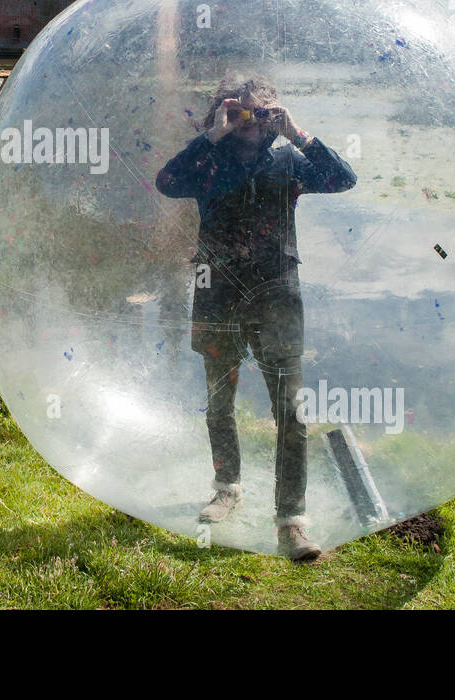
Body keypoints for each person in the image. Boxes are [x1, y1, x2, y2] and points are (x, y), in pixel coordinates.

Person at [154, 75, 356, 561]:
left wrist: (299, 133)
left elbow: (343, 178)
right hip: (215, 290)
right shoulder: (207, 161)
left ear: (274, 116)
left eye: (260, 113)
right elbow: (166, 182)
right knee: (219, 400)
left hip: (276, 295)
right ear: (225, 113)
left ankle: (291, 520)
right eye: (240, 112)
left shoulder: (289, 161)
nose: (250, 122)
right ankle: (227, 487)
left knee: (289, 409)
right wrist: (212, 135)